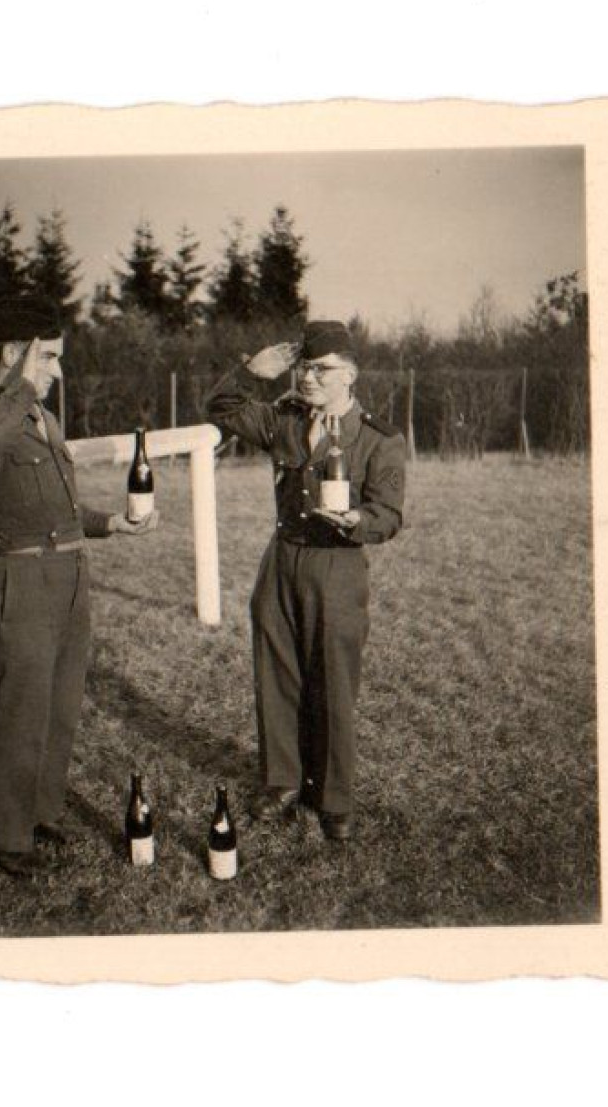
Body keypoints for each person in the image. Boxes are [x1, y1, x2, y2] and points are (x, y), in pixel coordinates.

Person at [0, 296, 158, 878]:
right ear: (14, 355)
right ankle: (4, 836)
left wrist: (112, 522)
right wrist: (20, 385)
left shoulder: (42, 419)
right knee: (20, 709)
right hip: (21, 580)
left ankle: (40, 813)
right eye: (48, 359)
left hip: (69, 577)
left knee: (59, 707)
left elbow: (59, 506)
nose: (57, 372)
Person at [207, 320, 407, 841]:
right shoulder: (284, 421)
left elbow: (388, 514)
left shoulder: (379, 438)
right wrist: (252, 372)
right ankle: (282, 784)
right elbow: (221, 409)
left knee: (334, 684)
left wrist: (359, 522)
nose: (310, 378)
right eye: (304, 368)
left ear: (351, 376)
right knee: (276, 675)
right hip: (282, 560)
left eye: (322, 369)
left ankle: (334, 798)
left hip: (336, 565)